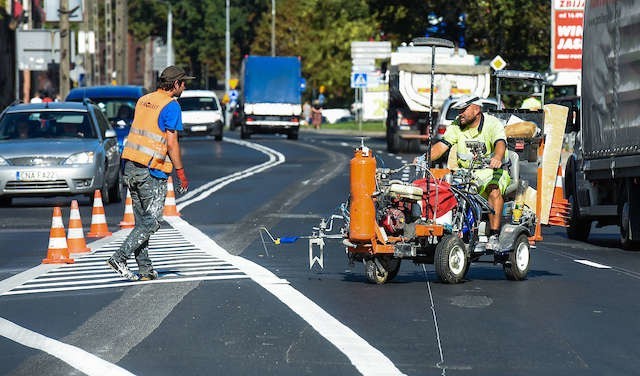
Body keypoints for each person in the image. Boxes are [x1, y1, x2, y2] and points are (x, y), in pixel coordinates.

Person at [107, 65, 193, 281]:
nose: (185, 87)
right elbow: (172, 143)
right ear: (175, 84)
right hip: (151, 170)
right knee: (152, 221)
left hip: (131, 166)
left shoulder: (144, 100)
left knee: (142, 223)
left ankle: (145, 270)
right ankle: (119, 257)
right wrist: (181, 172)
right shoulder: (171, 106)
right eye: (184, 83)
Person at [420, 95, 510, 249]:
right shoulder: (457, 125)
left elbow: (500, 143)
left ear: (476, 109)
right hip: (465, 173)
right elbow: (442, 146)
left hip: (493, 171)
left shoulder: (492, 123)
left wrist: (497, 157)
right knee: (443, 191)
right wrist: (424, 158)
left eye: (463, 110)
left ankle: (494, 235)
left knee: (493, 190)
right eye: (458, 110)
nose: (459, 114)